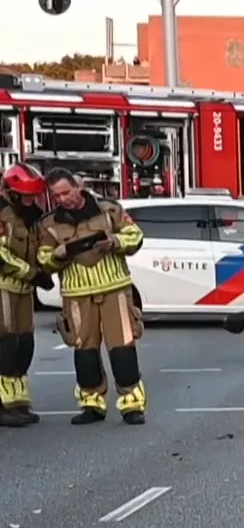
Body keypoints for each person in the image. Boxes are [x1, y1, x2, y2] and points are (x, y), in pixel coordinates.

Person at [35, 167, 147, 425]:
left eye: (66, 192)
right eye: (56, 195)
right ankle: (92, 404)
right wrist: (56, 256)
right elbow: (43, 259)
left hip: (114, 289)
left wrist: (114, 242)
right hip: (76, 295)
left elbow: (135, 235)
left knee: (122, 348)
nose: (63, 199)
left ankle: (132, 405)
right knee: (84, 351)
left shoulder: (109, 209)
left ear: (78, 185)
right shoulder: (49, 223)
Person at [0, 164, 52, 427]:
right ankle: (2, 406)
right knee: (6, 346)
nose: (32, 201)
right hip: (3, 289)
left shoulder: (32, 218)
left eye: (35, 196)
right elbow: (2, 256)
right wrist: (32, 272)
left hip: (24, 291)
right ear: (13, 193)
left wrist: (46, 267)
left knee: (24, 347)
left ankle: (17, 403)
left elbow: (40, 248)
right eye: (27, 196)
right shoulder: (3, 217)